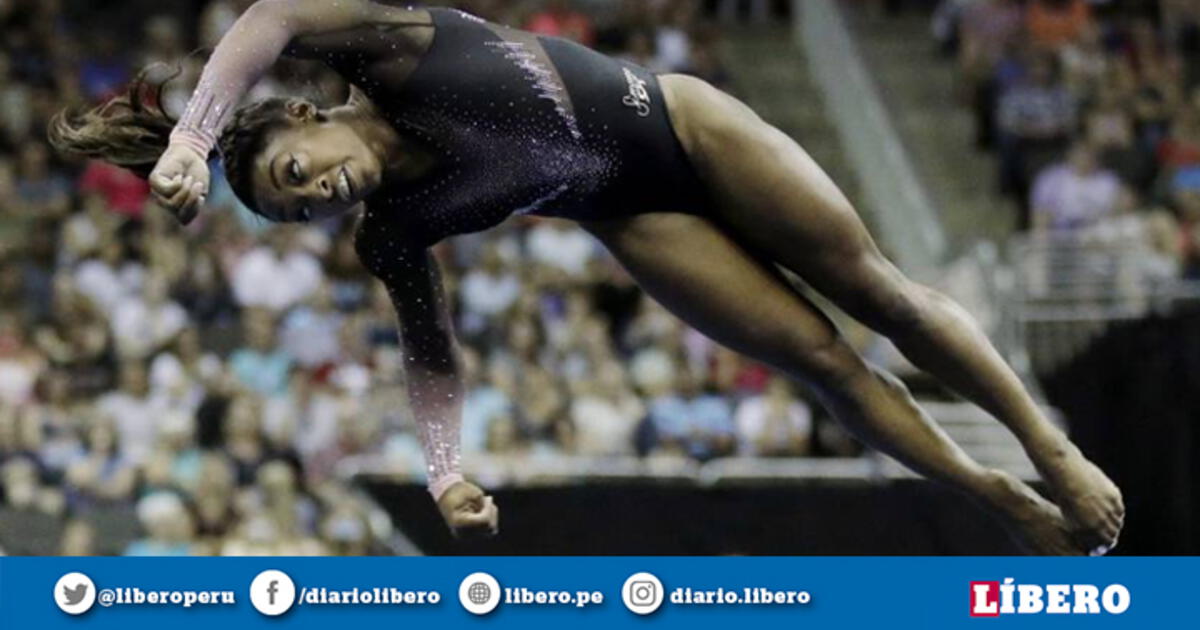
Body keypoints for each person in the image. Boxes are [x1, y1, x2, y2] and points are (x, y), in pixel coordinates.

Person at [50, 0, 1122, 555]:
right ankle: (999, 498)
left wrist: (194, 136)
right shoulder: (390, 229)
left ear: (300, 116)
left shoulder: (393, 48)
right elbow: (430, 355)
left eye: (297, 176)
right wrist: (444, 473)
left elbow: (270, 15)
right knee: (823, 366)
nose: (317, 197)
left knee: (875, 292)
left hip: (679, 124)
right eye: (296, 213)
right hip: (630, 212)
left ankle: (1050, 447)